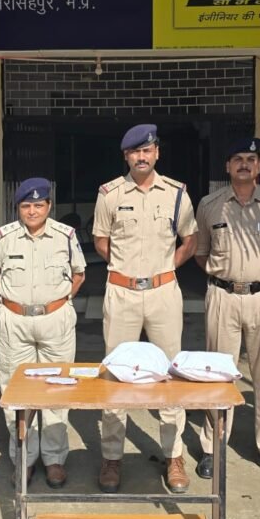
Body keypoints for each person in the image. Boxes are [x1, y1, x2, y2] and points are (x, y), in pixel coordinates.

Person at [92, 124, 197, 494]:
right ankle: (112, 457)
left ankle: (174, 455)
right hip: (121, 292)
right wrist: (127, 271)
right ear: (126, 156)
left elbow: (190, 239)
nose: (141, 156)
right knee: (115, 373)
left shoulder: (177, 194)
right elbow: (101, 241)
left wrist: (165, 270)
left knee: (169, 373)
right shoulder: (109, 194)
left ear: (157, 153)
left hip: (163, 293)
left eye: (147, 150)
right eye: (135, 151)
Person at [194, 138, 260, 483]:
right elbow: (201, 252)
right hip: (223, 296)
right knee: (217, 376)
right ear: (228, 166)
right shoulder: (209, 205)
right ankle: (213, 446)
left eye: (251, 158)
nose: (244, 164)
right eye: (237, 158)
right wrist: (227, 277)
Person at [0, 177, 86, 488]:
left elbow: (79, 274)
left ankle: (54, 458)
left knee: (58, 387)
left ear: (48, 206)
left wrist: (59, 302)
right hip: (15, 322)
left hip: (55, 320)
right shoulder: (4, 236)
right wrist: (7, 304)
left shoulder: (65, 236)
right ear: (18, 207)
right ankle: (25, 458)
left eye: (38, 205)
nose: (32, 211)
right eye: (26, 206)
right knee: (16, 390)